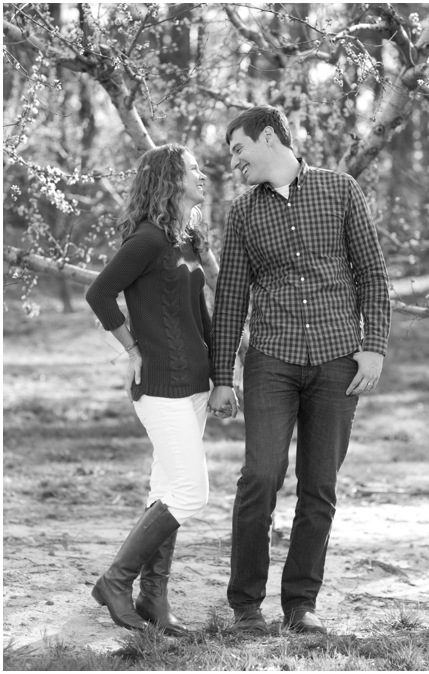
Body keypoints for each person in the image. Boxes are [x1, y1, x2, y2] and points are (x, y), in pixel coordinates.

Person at [208, 106, 391, 635]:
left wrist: (373, 347)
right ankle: (245, 606)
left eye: (239, 149)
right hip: (272, 360)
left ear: (269, 138)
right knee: (260, 477)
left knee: (319, 487)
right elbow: (232, 301)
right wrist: (224, 377)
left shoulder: (339, 190)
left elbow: (373, 276)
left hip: (338, 362)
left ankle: (300, 605)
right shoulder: (243, 213)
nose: (234, 161)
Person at [85, 144, 212, 636]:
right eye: (194, 169)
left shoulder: (186, 239)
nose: (203, 175)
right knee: (190, 492)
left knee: (166, 489)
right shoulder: (148, 240)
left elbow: (198, 316)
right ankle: (116, 581)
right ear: (170, 179)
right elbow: (99, 292)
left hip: (195, 387)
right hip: (160, 388)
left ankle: (153, 597)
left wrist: (222, 376)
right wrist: (131, 348)